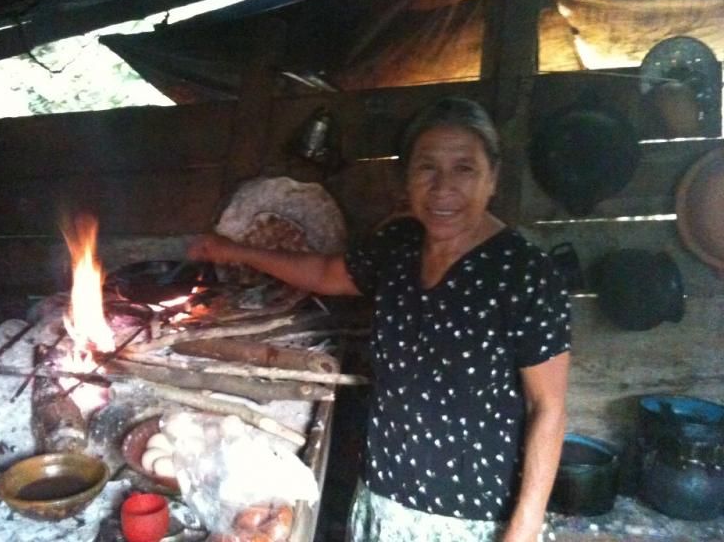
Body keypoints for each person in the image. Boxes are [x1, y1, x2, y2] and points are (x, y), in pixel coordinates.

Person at [188, 97, 571, 542]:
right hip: (383, 498)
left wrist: (523, 527)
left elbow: (550, 408)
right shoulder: (398, 245)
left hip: (472, 517)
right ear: (406, 178)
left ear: (493, 178)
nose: (443, 187)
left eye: (464, 168)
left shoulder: (524, 274)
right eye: (426, 168)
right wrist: (234, 250)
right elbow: (326, 273)